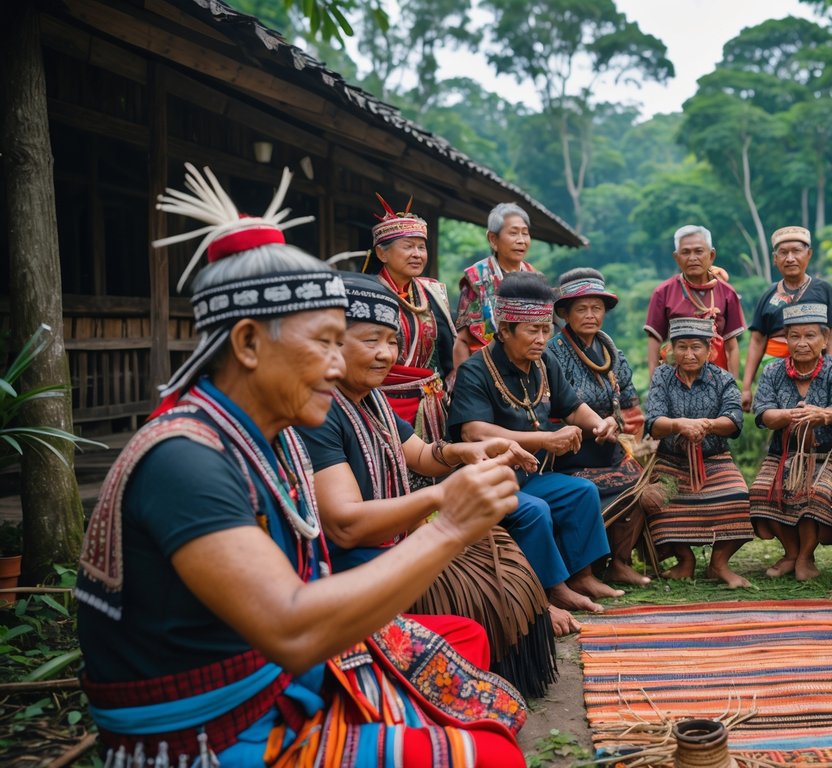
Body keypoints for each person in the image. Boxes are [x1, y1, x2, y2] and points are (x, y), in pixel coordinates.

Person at [75, 164, 526, 766]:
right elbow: (292, 630)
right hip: (213, 731)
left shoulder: (274, 433)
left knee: (465, 661)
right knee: (490, 755)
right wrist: (448, 522)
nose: (340, 366)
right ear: (247, 343)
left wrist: (454, 464)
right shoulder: (183, 460)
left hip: (274, 681)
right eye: (325, 343)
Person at [294, 272, 561, 699]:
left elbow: (419, 454)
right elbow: (345, 525)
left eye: (392, 341)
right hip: (351, 564)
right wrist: (443, 497)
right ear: (330, 343)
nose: (386, 354)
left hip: (390, 541)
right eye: (370, 341)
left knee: (504, 554)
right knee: (481, 595)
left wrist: (465, 453)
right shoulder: (322, 410)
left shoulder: (372, 399)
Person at [450, 272, 626, 618]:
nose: (542, 338)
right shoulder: (475, 371)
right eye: (533, 330)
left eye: (546, 330)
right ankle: (551, 589)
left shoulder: (544, 363)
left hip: (528, 476)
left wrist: (601, 423)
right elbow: (473, 432)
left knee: (581, 493)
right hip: (487, 480)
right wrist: (545, 439)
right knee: (534, 510)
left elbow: (573, 407)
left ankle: (582, 576)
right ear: (504, 332)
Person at [548, 268, 652, 586]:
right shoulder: (552, 354)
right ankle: (585, 570)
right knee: (588, 492)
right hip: (570, 452)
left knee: (645, 485)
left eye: (597, 308)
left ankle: (619, 561)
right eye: (582, 308)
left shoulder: (613, 354)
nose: (591, 315)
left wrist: (632, 439)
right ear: (564, 313)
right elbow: (555, 408)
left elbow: (631, 406)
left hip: (610, 448)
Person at [643, 317, 753, 588]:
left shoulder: (723, 378)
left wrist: (708, 425)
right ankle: (685, 560)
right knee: (654, 500)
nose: (689, 354)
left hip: (715, 461)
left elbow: (734, 420)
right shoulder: (662, 377)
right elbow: (654, 423)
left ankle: (718, 564)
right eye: (681, 347)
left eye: (696, 347)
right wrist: (679, 424)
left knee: (739, 496)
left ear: (710, 351)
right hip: (670, 461)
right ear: (670, 350)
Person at [748, 303, 832, 582]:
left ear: (826, 339)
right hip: (783, 453)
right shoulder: (773, 371)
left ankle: (806, 555)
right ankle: (791, 553)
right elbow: (763, 414)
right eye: (794, 336)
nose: (802, 343)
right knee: (761, 491)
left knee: (815, 494)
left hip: (824, 455)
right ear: (786, 340)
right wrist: (788, 414)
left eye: (810, 336)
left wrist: (823, 414)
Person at [363, 194, 455, 445]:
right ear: (382, 253)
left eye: (421, 247)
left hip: (428, 406)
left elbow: (448, 354)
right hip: (378, 402)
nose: (417, 254)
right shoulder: (367, 292)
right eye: (407, 246)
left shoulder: (433, 293)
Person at [740, 226, 832, 412]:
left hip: (815, 369)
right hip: (775, 371)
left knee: (814, 418)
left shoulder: (823, 290)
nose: (790, 258)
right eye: (783, 253)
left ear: (809, 254)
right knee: (778, 419)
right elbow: (757, 340)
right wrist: (746, 387)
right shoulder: (768, 294)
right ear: (775, 259)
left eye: (796, 251)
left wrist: (828, 372)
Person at [644, 225, 746, 379]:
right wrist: (654, 387)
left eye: (699, 251)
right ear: (676, 257)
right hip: (675, 382)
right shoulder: (663, 292)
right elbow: (654, 344)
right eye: (685, 252)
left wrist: (733, 388)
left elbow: (732, 348)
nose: (692, 258)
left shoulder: (727, 292)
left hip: (717, 381)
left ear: (711, 255)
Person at [453, 203, 538, 367]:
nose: (521, 240)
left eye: (525, 233)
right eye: (513, 233)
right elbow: (462, 341)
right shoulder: (477, 278)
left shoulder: (535, 277)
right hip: (484, 369)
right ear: (493, 239)